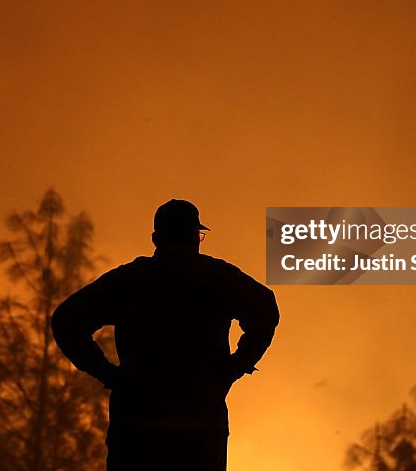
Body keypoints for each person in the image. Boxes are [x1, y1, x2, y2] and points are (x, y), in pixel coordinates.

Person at [52, 199, 279, 471]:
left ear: (156, 238)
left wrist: (107, 374)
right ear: (195, 237)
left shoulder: (129, 281)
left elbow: (66, 320)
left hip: (137, 424)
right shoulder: (217, 278)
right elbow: (265, 310)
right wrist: (233, 367)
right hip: (200, 424)